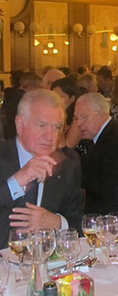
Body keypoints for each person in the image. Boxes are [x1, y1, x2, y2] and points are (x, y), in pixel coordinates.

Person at [0, 89, 83, 248]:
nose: (50, 136)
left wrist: (57, 222)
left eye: (57, 127)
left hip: (47, 264)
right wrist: (15, 183)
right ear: (20, 124)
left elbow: (79, 225)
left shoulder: (66, 166)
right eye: (41, 125)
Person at [75, 93, 118, 214]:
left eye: (84, 117)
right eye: (76, 118)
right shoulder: (107, 134)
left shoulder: (115, 143)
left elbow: (114, 193)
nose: (78, 123)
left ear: (101, 114)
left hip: (108, 220)